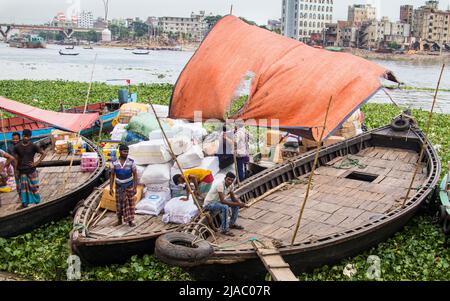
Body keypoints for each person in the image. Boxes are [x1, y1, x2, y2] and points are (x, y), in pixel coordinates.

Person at [203, 172, 248, 237]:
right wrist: (237, 203)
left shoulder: (231, 185)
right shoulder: (220, 185)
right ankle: (224, 229)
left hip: (218, 202)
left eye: (231, 180)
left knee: (236, 205)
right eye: (228, 179)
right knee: (225, 207)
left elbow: (233, 198)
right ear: (225, 178)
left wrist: (240, 203)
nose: (230, 181)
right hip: (209, 203)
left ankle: (232, 223)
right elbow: (223, 201)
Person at [13, 129, 46, 209]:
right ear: (22, 136)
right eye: (25, 136)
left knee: (34, 187)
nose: (26, 138)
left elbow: (44, 153)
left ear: (30, 137)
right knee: (23, 189)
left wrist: (36, 163)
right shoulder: (17, 147)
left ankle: (37, 202)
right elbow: (16, 159)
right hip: (22, 171)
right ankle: (24, 203)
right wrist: (15, 171)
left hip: (31, 170)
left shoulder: (33, 146)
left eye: (28, 137)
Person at [110, 144, 138, 227]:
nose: (126, 153)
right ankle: (119, 220)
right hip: (119, 186)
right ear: (120, 152)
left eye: (127, 152)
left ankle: (130, 221)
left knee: (130, 204)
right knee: (119, 204)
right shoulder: (114, 162)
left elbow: (135, 174)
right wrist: (111, 187)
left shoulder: (131, 162)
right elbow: (112, 175)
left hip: (129, 186)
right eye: (124, 151)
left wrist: (135, 187)